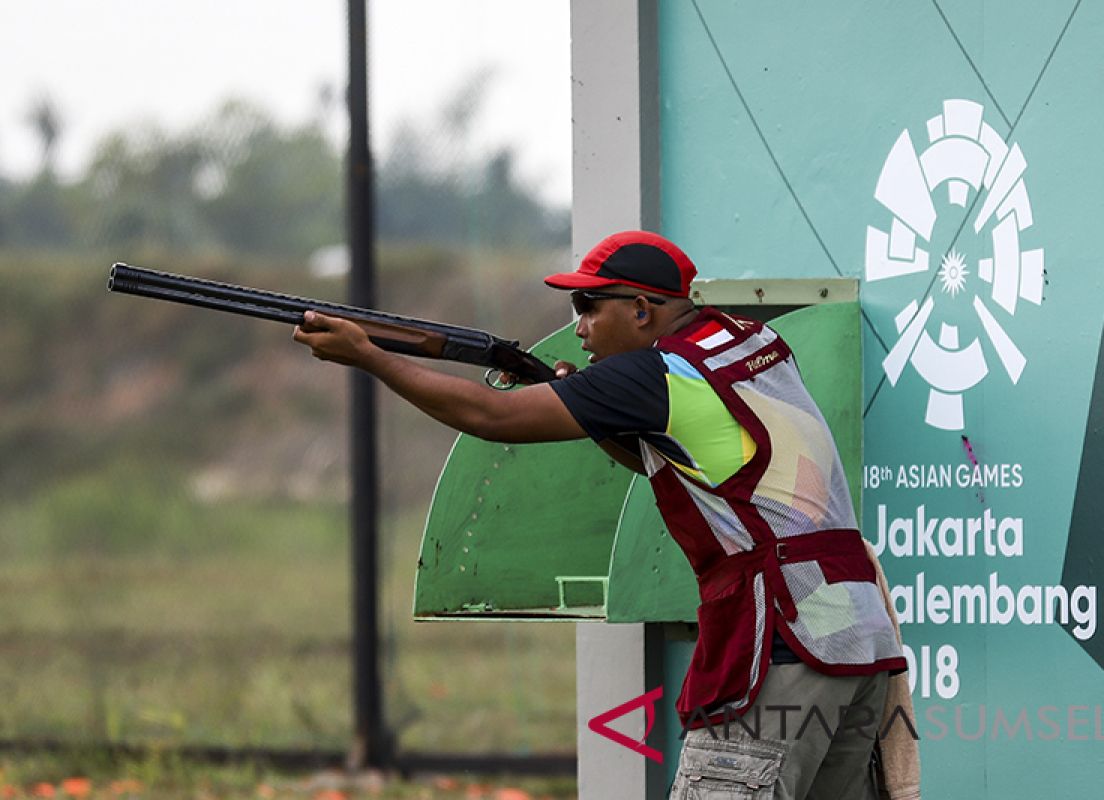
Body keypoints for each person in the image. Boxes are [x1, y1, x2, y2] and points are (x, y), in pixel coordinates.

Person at [293, 230, 914, 800]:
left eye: (590, 307)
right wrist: (596, 408)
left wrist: (369, 357)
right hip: (854, 636)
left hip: (778, 641)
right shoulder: (750, 341)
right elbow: (691, 457)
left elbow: (489, 416)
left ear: (642, 309)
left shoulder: (657, 375)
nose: (581, 328)